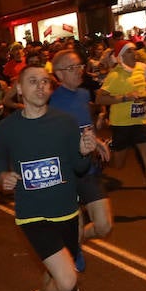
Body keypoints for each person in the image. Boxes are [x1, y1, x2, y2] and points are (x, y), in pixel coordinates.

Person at [0, 64, 98, 291]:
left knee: (55, 280)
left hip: (67, 212)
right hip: (33, 215)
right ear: (19, 89)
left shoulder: (64, 122)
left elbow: (78, 167)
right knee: (67, 279)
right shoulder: (6, 129)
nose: (40, 86)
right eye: (32, 81)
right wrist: (2, 176)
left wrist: (85, 153)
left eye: (45, 82)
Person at [48, 49, 112, 259]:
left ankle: (72, 245)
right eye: (72, 68)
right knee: (74, 225)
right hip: (68, 171)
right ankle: (72, 250)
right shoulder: (52, 102)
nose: (79, 71)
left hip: (89, 167)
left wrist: (97, 140)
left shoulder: (84, 94)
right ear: (59, 74)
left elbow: (85, 125)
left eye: (80, 66)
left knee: (104, 226)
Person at [96, 42, 146, 220]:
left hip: (140, 122)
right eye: (129, 51)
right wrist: (123, 98)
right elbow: (100, 98)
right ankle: (106, 152)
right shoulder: (115, 74)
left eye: (134, 50)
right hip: (121, 125)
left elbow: (142, 91)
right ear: (121, 55)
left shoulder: (140, 70)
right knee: (118, 165)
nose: (134, 53)